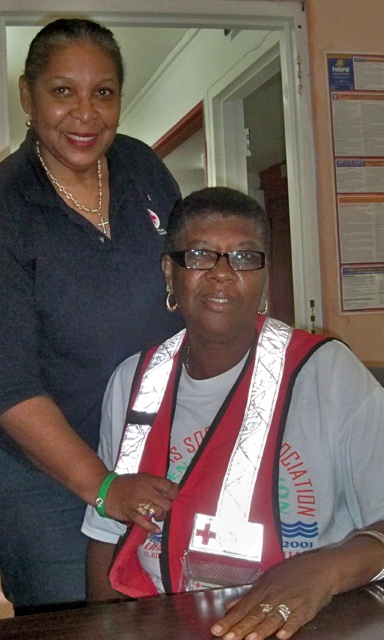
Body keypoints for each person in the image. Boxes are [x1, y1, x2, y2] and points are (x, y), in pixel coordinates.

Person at [82, 187, 384, 640]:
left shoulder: (327, 373)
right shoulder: (133, 380)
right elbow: (106, 534)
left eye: (244, 258)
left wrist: (320, 573)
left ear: (264, 275)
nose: (223, 275)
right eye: (201, 255)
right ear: (170, 271)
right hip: (159, 618)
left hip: (302, 622)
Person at [0, 18, 183, 614]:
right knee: (78, 611)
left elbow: (188, 274)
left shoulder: (142, 169)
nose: (85, 114)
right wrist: (103, 486)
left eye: (104, 92)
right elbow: (4, 385)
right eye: (63, 91)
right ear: (28, 96)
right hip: (30, 470)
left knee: (159, 602)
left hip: (137, 442)